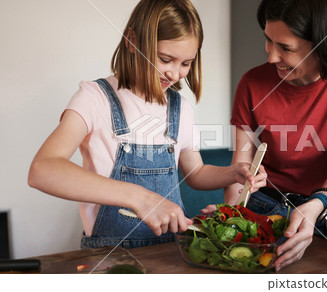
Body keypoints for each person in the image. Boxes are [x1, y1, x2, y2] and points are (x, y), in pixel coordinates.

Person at [28, 0, 266, 249]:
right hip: (111, 255)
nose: (175, 74)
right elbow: (43, 170)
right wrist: (140, 198)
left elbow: (195, 173)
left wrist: (234, 172)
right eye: (165, 59)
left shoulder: (180, 107)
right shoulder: (95, 98)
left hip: (170, 252)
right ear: (132, 40)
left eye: (186, 63)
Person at [225, 0, 327, 271]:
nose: (271, 57)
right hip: (262, 207)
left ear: (324, 44)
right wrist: (229, 218)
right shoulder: (252, 83)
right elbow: (241, 164)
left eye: (286, 48)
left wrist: (317, 204)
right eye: (268, 40)